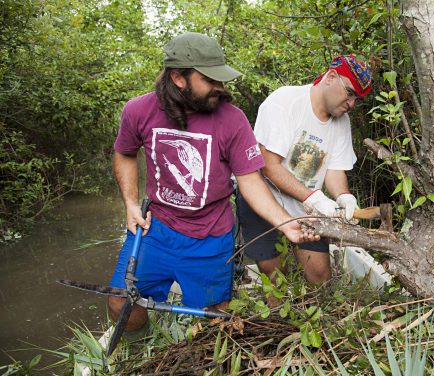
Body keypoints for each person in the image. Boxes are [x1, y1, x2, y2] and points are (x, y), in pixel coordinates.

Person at [108, 32, 319, 339]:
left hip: (210, 236)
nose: (221, 88)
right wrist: (129, 202)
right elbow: (125, 153)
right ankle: (140, 349)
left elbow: (250, 182)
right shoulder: (138, 110)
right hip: (156, 229)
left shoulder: (232, 120)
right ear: (179, 78)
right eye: (211, 80)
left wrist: (286, 223)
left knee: (215, 321)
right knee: (121, 307)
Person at [237, 54, 372, 291]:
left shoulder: (342, 121)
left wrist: (343, 196)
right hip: (263, 201)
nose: (352, 103)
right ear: (331, 77)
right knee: (276, 277)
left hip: (305, 207)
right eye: (350, 93)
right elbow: (268, 165)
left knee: (320, 276)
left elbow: (335, 168)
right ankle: (279, 322)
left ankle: (316, 322)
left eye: (357, 99)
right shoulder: (284, 102)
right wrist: (314, 197)